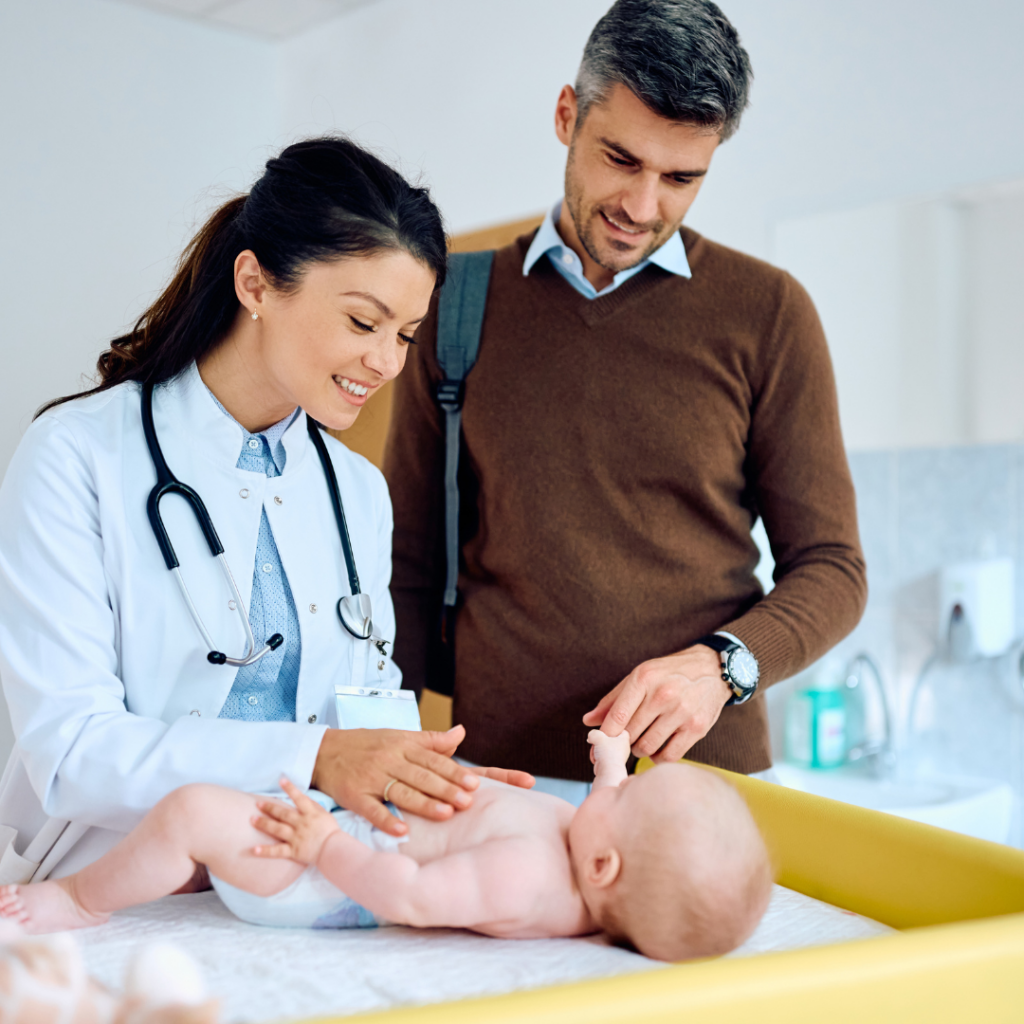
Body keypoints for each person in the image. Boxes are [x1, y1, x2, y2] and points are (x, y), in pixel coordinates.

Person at [0, 137, 530, 887]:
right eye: (362, 322)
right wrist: (315, 758)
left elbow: (363, 721)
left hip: (293, 889)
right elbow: (73, 753)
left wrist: (441, 791)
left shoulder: (356, 491)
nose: (388, 362)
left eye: (406, 334)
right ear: (255, 282)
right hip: (110, 888)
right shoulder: (76, 457)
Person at [384, 0, 867, 800]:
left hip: (703, 788)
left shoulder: (768, 312)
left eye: (681, 178)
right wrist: (388, 743)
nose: (643, 207)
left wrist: (723, 667)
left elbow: (833, 568)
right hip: (499, 779)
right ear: (568, 115)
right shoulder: (455, 303)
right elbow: (406, 563)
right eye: (621, 159)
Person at [0, 729, 772, 963]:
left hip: (320, 879)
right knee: (203, 813)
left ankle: (75, 899)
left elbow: (408, 895)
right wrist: (611, 768)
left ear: (605, 869)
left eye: (626, 795)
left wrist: (326, 841)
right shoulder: (591, 852)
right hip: (338, 830)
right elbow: (602, 806)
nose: (610, 788)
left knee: (190, 813)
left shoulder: (528, 877)